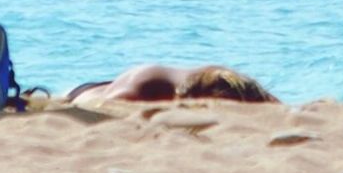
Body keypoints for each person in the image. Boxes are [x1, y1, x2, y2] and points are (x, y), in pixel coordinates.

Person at [67, 63, 279, 105]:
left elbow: (272, 104)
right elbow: (97, 106)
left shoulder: (232, 82)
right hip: (87, 92)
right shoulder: (144, 87)